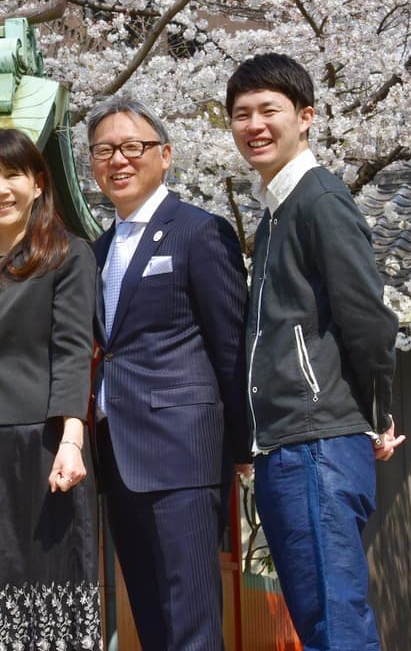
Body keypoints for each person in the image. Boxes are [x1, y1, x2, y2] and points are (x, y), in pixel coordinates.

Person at [225, 53, 404, 651]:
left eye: (268, 110)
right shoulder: (277, 210)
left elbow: (369, 319)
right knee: (321, 617)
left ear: (306, 117)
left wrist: (377, 412)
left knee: (334, 620)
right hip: (290, 446)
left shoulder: (319, 199)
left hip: (316, 444)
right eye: (241, 113)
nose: (254, 125)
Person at [86, 96, 248, 651]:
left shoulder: (201, 232)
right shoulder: (98, 248)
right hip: (117, 451)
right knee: (152, 619)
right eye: (104, 150)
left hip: (184, 451)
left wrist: (244, 445)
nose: (119, 160)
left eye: (133, 147)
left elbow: (231, 345)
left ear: (166, 155)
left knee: (191, 618)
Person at [0, 127, 99, 650]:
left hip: (40, 441)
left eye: (12, 174)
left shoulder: (68, 254)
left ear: (37, 183)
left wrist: (72, 440)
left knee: (43, 578)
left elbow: (74, 350)